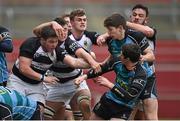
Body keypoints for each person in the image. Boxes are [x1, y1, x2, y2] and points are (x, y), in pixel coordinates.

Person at [7, 25, 96, 115]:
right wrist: (44, 78)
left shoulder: (57, 50)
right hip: (18, 81)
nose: (54, 44)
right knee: (13, 108)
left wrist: (94, 64)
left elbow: (74, 63)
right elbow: (24, 69)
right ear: (42, 40)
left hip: (36, 85)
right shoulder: (31, 43)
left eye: (56, 41)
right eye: (51, 42)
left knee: (39, 111)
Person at [33, 17, 101, 120]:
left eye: (65, 29)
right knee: (46, 115)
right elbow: (35, 31)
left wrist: (93, 62)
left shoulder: (68, 42)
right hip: (57, 85)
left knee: (84, 104)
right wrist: (52, 23)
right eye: (60, 30)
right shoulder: (47, 41)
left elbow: (80, 54)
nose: (64, 32)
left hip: (75, 82)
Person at [97, 13, 157, 120]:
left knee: (150, 112)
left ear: (120, 28)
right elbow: (113, 57)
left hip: (146, 78)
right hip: (127, 80)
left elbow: (151, 56)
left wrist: (142, 58)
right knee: (129, 114)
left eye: (110, 30)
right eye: (107, 31)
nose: (108, 33)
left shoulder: (136, 36)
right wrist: (102, 64)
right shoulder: (110, 40)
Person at [74, 43, 147, 120]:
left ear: (127, 59)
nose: (119, 55)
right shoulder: (118, 61)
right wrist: (84, 77)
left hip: (124, 108)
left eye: (122, 54)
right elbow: (102, 69)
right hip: (108, 101)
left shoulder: (140, 75)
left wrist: (109, 84)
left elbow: (129, 97)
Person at [126, 4, 158, 120]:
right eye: (134, 15)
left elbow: (148, 31)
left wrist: (124, 23)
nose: (137, 17)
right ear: (130, 16)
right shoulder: (125, 33)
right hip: (129, 77)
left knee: (150, 116)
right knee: (132, 117)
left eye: (140, 16)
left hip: (148, 77)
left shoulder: (150, 31)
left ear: (146, 19)